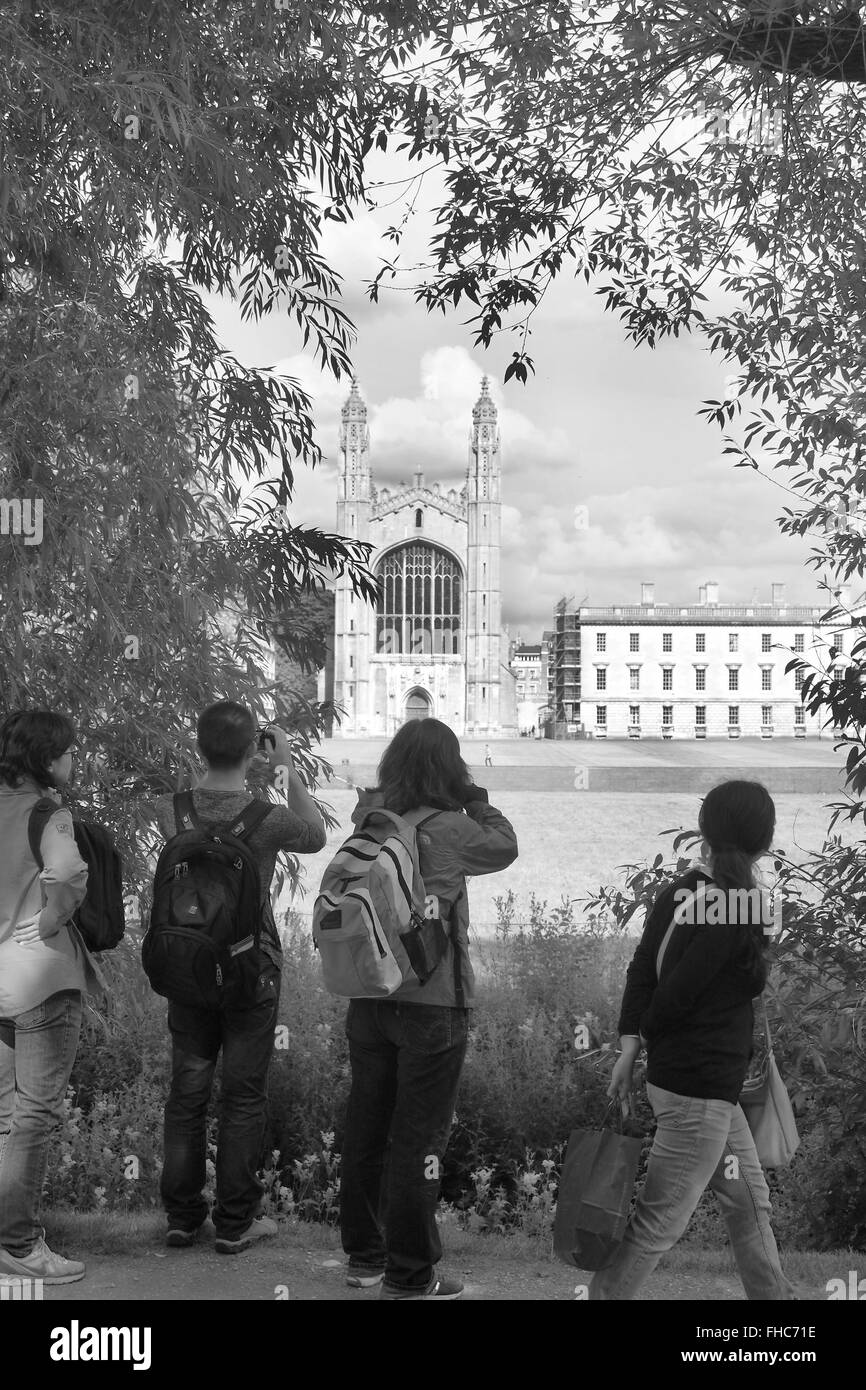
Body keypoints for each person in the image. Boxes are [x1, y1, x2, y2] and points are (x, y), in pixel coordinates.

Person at [590, 779, 796, 1301]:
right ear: (763, 841)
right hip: (699, 1091)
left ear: (706, 831)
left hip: (698, 1089)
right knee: (659, 1223)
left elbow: (643, 970)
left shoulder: (683, 891)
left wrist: (631, 1045)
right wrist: (653, 1032)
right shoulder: (739, 904)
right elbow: (679, 992)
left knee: (750, 1204)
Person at [339, 717, 518, 1300]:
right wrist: (476, 799)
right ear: (450, 769)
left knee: (366, 1127)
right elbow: (506, 844)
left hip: (370, 995)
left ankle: (364, 1259)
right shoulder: (452, 828)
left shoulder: (374, 820)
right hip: (433, 999)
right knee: (420, 1142)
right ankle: (411, 1274)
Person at [152, 702, 326, 1254]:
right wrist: (288, 770)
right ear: (255, 751)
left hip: (187, 968)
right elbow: (317, 835)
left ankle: (182, 1218)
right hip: (251, 968)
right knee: (244, 1094)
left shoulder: (171, 812)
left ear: (198, 747)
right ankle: (235, 1222)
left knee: (187, 1090)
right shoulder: (266, 819)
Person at [0, 709, 100, 1285]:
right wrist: (51, 919)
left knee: (5, 1115)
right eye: (66, 752)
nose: (72, 760)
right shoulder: (47, 814)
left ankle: (6, 1237)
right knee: (36, 1113)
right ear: (46, 760)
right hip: (41, 980)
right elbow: (65, 876)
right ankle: (19, 1243)